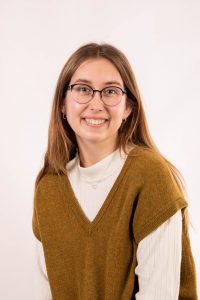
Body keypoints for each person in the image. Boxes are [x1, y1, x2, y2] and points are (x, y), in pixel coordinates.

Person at [32, 43, 198, 299]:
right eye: (83, 89)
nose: (96, 104)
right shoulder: (48, 188)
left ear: (128, 107)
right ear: (63, 105)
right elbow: (46, 291)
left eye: (110, 92)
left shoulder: (151, 176)